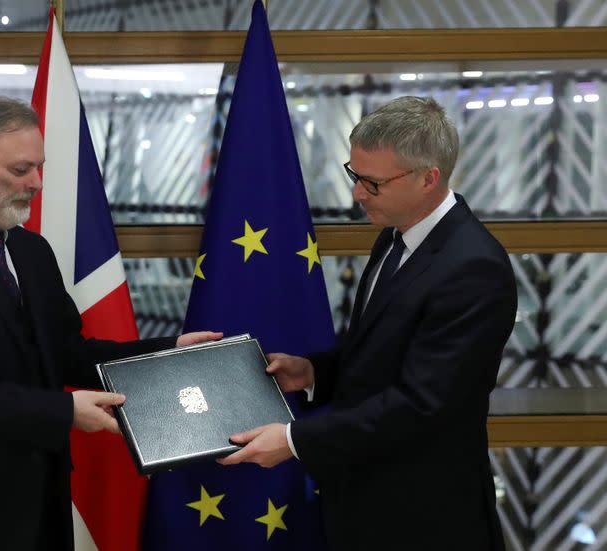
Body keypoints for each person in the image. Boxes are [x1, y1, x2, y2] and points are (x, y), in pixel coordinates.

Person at [0, 97, 219, 551]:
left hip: (41, 506)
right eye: (20, 170)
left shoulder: (33, 251)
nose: (37, 183)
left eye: (40, 167)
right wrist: (64, 412)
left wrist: (167, 351)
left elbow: (68, 355)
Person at [218, 96, 516, 551]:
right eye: (354, 175)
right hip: (367, 498)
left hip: (424, 515)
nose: (357, 194)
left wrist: (295, 439)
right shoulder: (395, 237)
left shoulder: (474, 267)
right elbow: (380, 347)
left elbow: (421, 403)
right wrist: (317, 372)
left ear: (428, 179)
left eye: (372, 183)